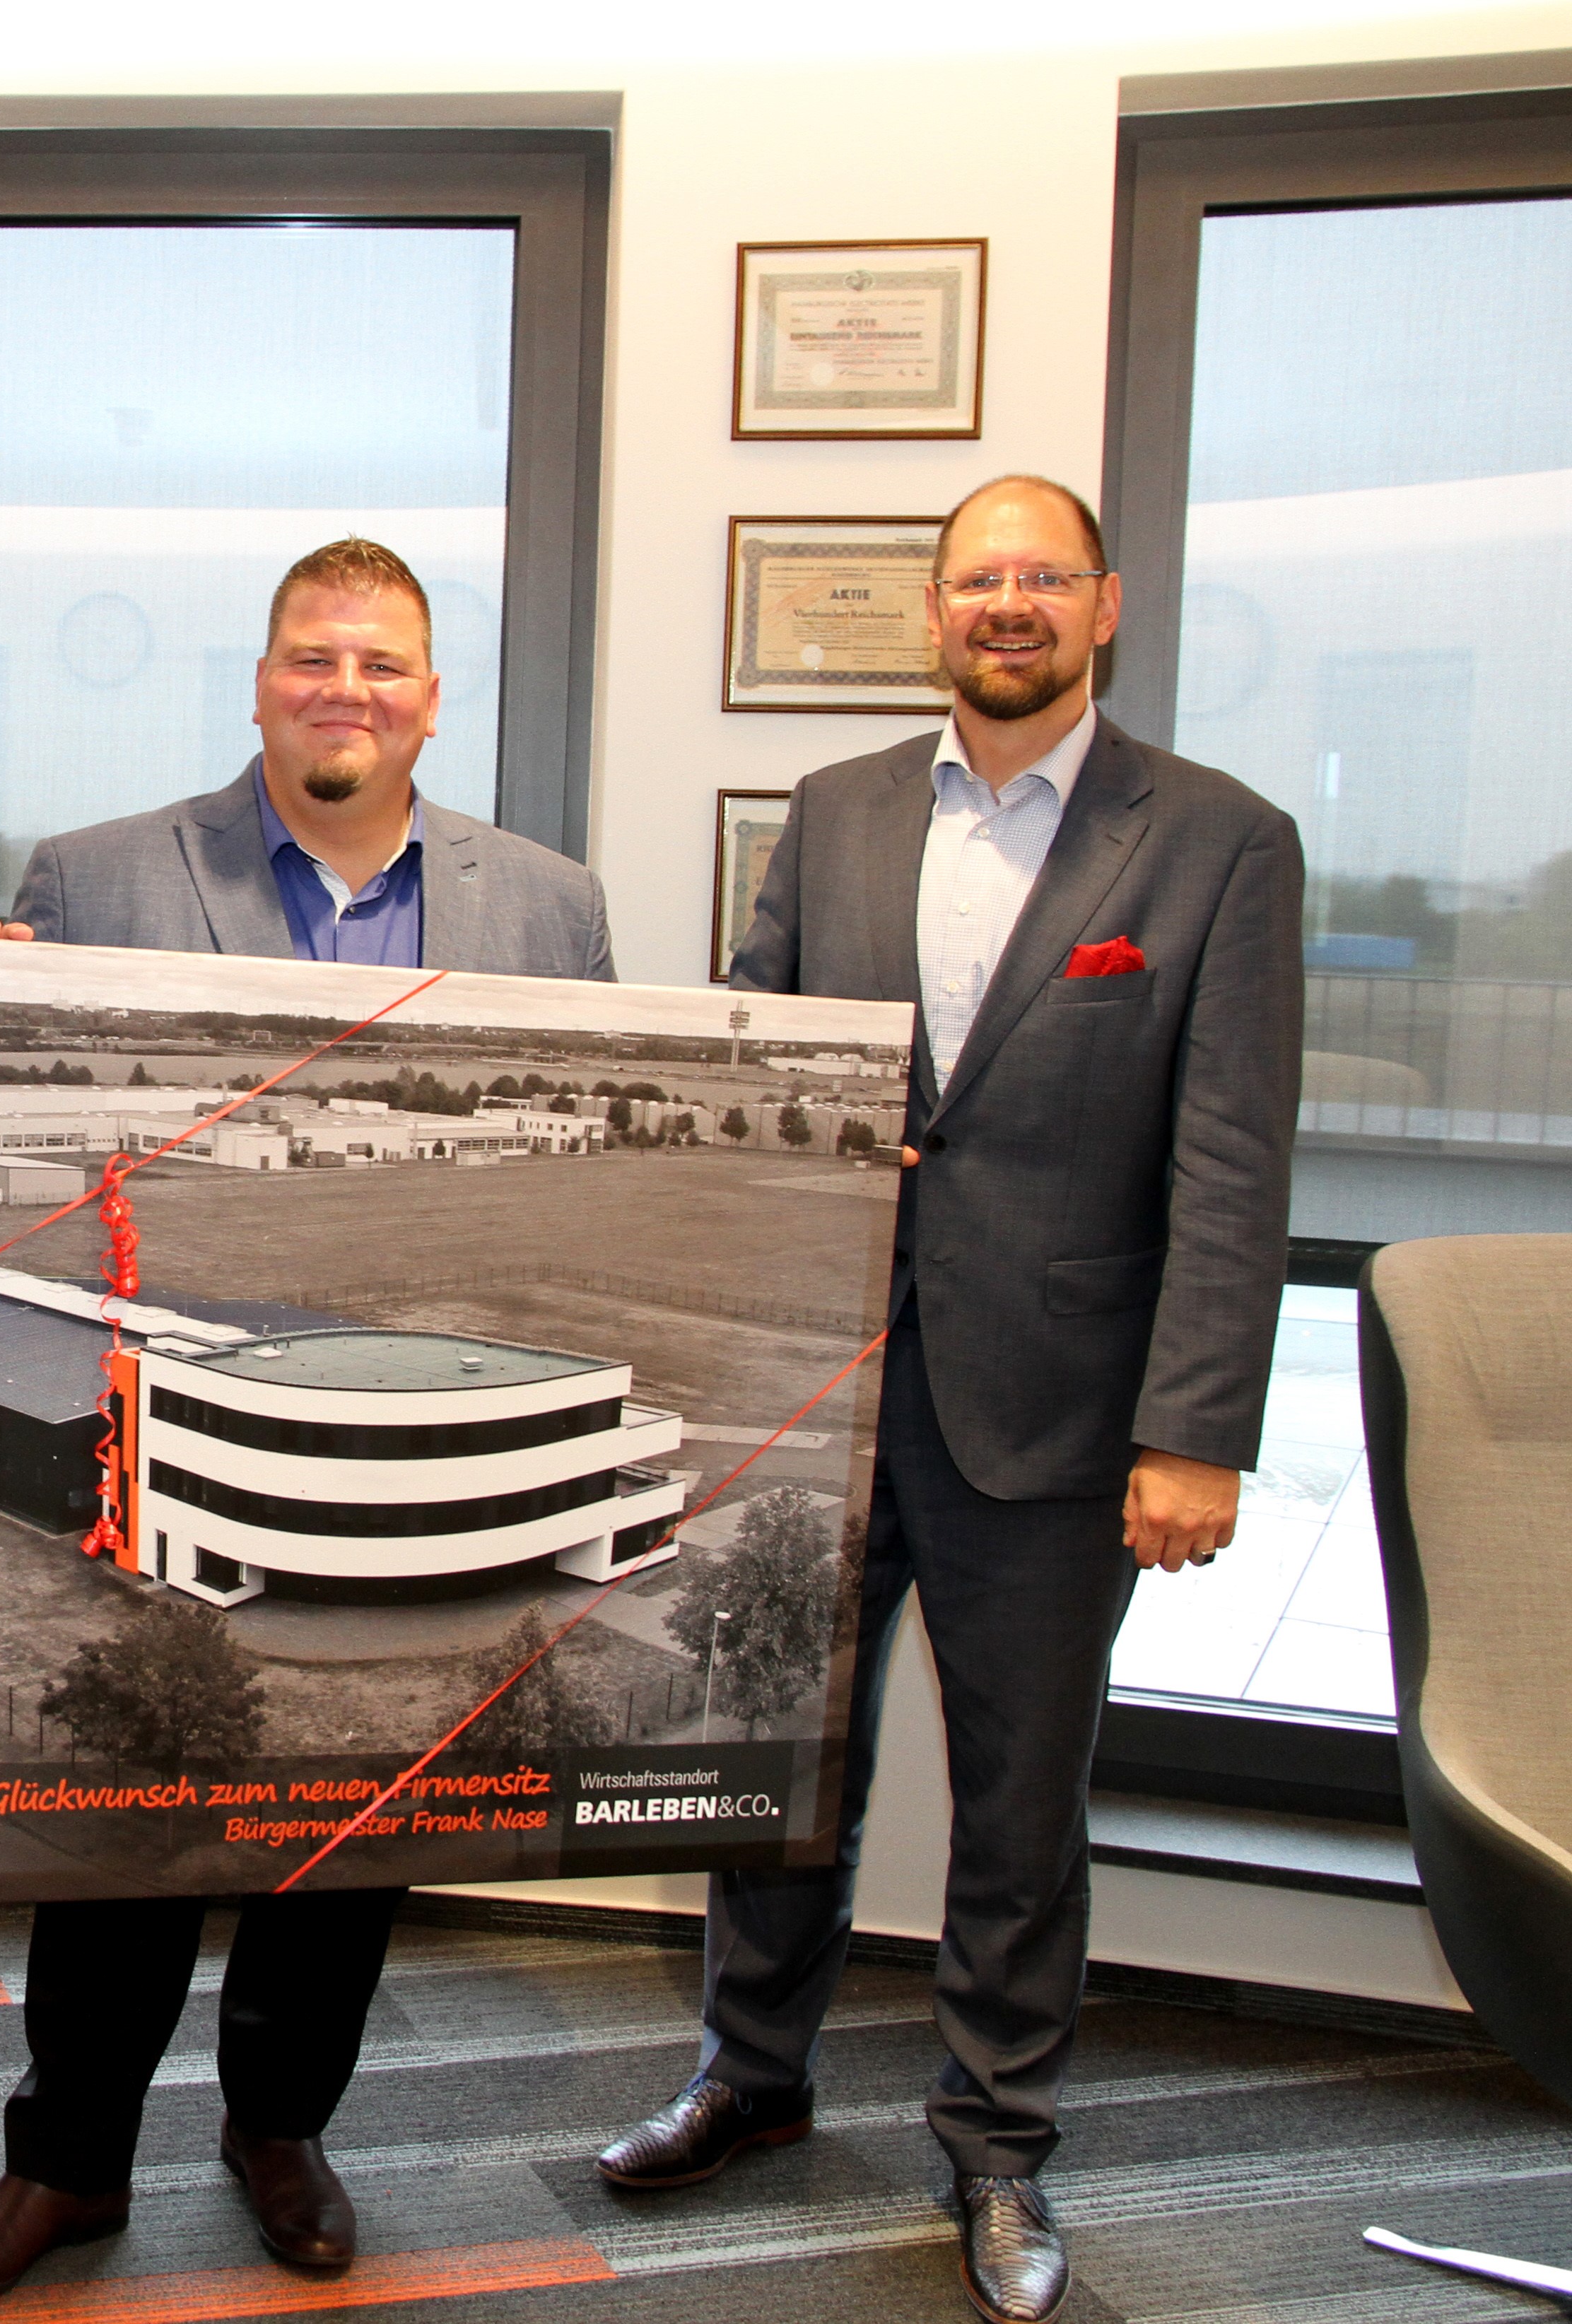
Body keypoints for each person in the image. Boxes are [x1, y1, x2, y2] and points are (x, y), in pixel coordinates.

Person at [594, 476, 1302, 2324]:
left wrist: (1195, 1430)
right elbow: (752, 1081)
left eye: (1043, 578)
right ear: (936, 609)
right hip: (820, 1393)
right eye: (982, 578)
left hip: (1059, 1424)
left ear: (1104, 606)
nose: (1011, 605)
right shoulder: (832, 819)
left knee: (1016, 1812)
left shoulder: (1220, 843)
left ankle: (998, 2147)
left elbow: (1233, 1164)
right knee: (774, 1771)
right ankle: (748, 2075)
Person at [0, 537, 616, 2306]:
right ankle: (60, 2161)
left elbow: (591, 1158)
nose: (343, 692)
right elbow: (32, 1160)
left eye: (380, 665)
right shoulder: (101, 872)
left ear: (431, 698)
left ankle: (279, 2125)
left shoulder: (550, 905)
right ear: (259, 682)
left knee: (347, 1782)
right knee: (133, 1789)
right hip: (179, 1410)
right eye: (313, 658)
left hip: (411, 1419)